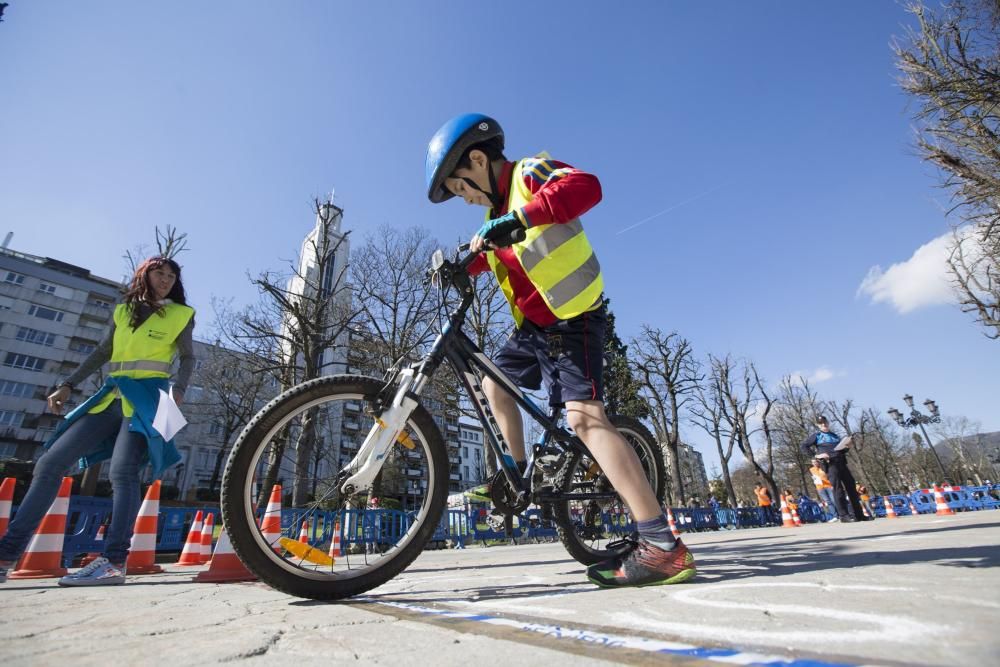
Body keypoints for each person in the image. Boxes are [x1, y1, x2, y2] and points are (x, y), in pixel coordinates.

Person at [425, 113, 695, 587]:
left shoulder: (529, 175)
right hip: (533, 329)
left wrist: (521, 216)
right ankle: (519, 472)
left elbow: (587, 187)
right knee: (494, 380)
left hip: (573, 320)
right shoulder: (493, 219)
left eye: (460, 186)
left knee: (585, 419)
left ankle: (663, 546)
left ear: (478, 159)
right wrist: (459, 268)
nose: (463, 198)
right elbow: (494, 257)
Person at [0, 256, 195, 586]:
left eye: (172, 275)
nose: (166, 279)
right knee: (49, 463)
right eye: (159, 273)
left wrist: (180, 390)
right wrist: (68, 384)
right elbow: (103, 351)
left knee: (122, 472)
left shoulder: (181, 314)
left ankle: (114, 561)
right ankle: (6, 556)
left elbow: (189, 356)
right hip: (112, 396)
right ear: (144, 274)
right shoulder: (123, 311)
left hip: (150, 399)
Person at [800, 416, 866, 522]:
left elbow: (841, 450)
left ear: (828, 422)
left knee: (851, 487)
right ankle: (844, 515)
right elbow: (803, 446)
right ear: (818, 425)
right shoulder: (817, 436)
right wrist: (816, 455)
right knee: (838, 489)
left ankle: (859, 514)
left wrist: (847, 447)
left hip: (842, 463)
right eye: (821, 424)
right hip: (830, 465)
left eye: (825, 422)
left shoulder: (835, 435)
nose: (823, 425)